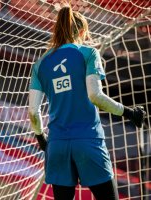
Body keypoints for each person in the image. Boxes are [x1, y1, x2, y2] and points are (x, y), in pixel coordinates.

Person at [28, 6, 146, 200]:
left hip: (57, 144)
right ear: (82, 32)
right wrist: (129, 112)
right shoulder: (88, 53)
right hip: (87, 140)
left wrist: (41, 139)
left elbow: (33, 111)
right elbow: (95, 96)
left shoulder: (40, 63)